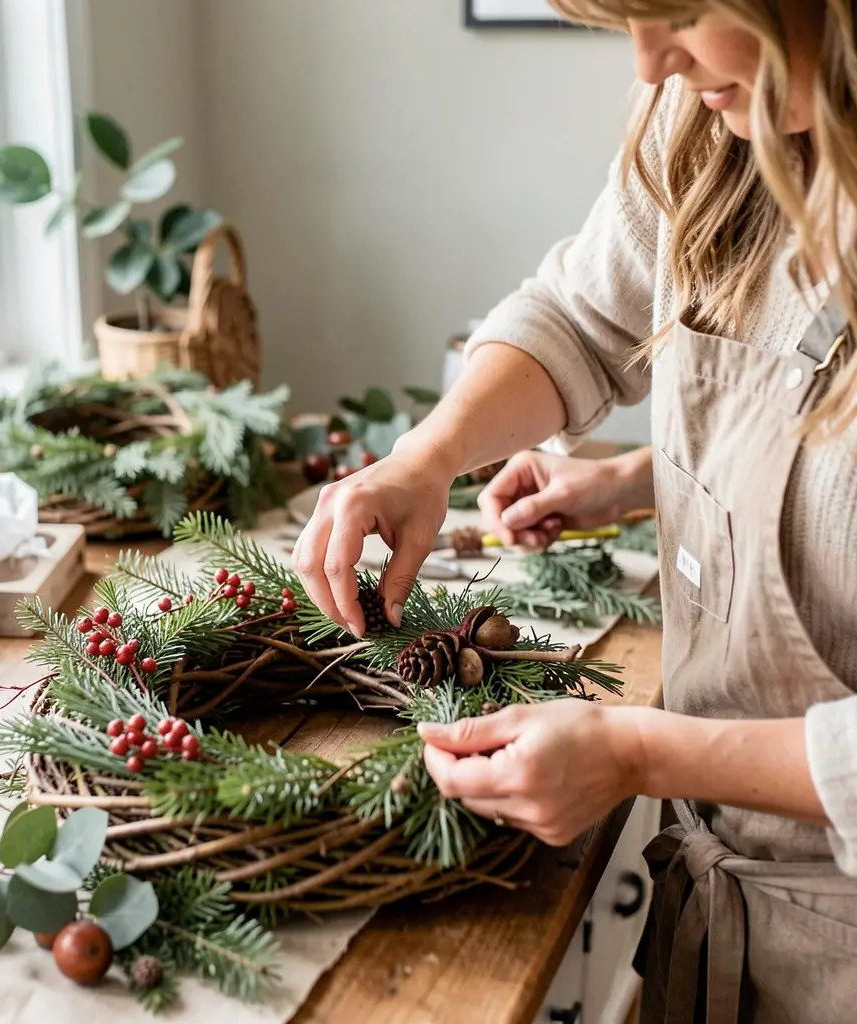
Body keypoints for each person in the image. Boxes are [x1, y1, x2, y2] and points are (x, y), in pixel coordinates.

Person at [292, 3, 857, 1021]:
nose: (647, 61)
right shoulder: (707, 123)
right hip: (723, 931)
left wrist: (639, 750)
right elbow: (577, 317)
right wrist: (427, 456)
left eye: (677, 11)